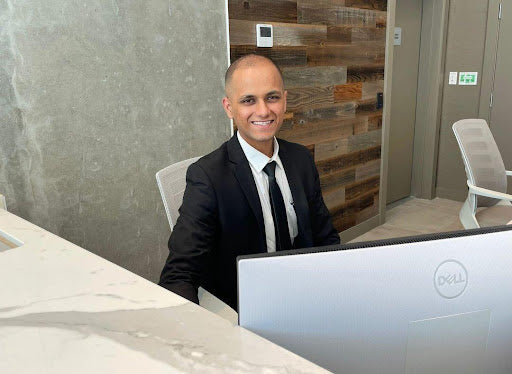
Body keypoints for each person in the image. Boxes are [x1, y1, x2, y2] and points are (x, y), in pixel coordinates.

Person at [159, 54, 340, 310]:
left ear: (285, 100)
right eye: (248, 100)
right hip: (246, 305)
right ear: (229, 107)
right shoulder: (207, 177)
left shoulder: (300, 159)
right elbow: (179, 275)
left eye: (272, 97)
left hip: (303, 289)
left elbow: (325, 236)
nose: (264, 110)